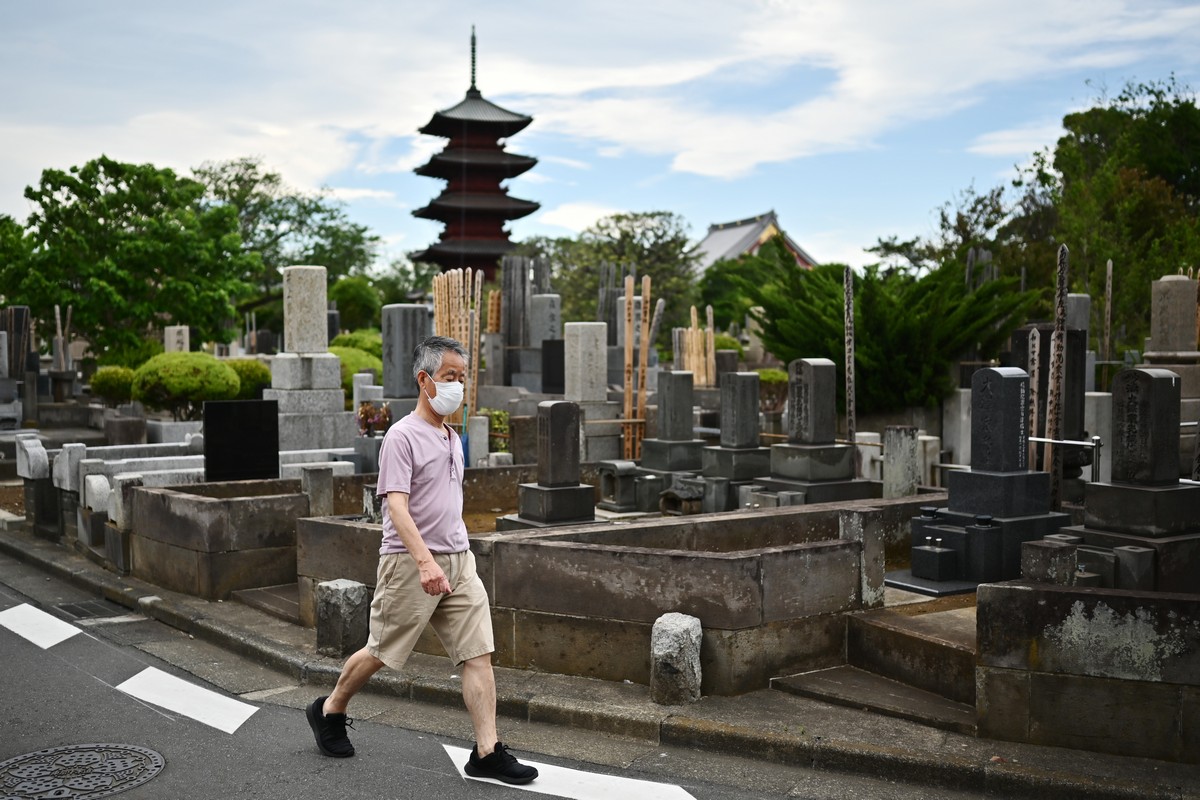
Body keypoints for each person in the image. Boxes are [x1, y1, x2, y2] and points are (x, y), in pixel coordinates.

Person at [305, 335, 537, 786]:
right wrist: (426, 562)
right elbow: (396, 506)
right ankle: (330, 708)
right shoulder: (401, 435)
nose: (458, 387)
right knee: (380, 651)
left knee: (479, 654)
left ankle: (487, 751)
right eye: (450, 377)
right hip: (410, 563)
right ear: (424, 380)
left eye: (463, 379)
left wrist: (452, 556)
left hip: (459, 560)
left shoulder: (452, 436)